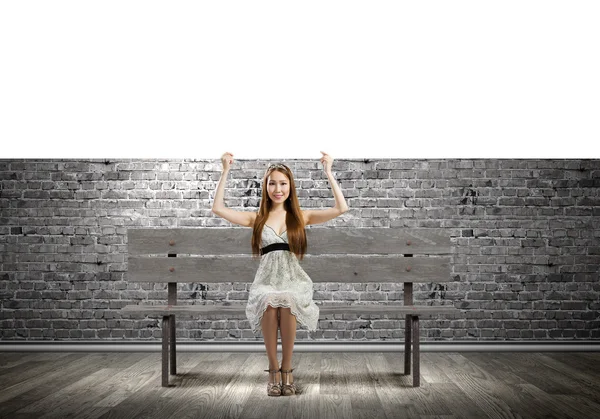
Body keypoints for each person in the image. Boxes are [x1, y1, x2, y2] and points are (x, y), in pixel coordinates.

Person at [211, 151, 349, 397]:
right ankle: (274, 370)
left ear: (290, 187)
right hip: (266, 280)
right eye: (272, 183)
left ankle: (287, 370)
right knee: (269, 300)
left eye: (283, 183)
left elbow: (341, 207)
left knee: (286, 300)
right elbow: (218, 208)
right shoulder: (257, 218)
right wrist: (225, 171)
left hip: (293, 279)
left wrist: (329, 172)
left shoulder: (300, 217)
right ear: (265, 186)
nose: (277, 188)